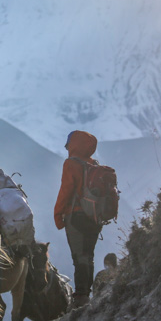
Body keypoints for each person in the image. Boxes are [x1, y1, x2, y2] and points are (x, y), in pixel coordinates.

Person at [54, 130, 102, 309]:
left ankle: (81, 297)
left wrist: (58, 215)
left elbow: (65, 191)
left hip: (76, 216)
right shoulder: (94, 164)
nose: (66, 149)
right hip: (95, 217)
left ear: (73, 145)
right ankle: (85, 293)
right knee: (89, 255)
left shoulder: (71, 164)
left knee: (79, 257)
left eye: (68, 145)